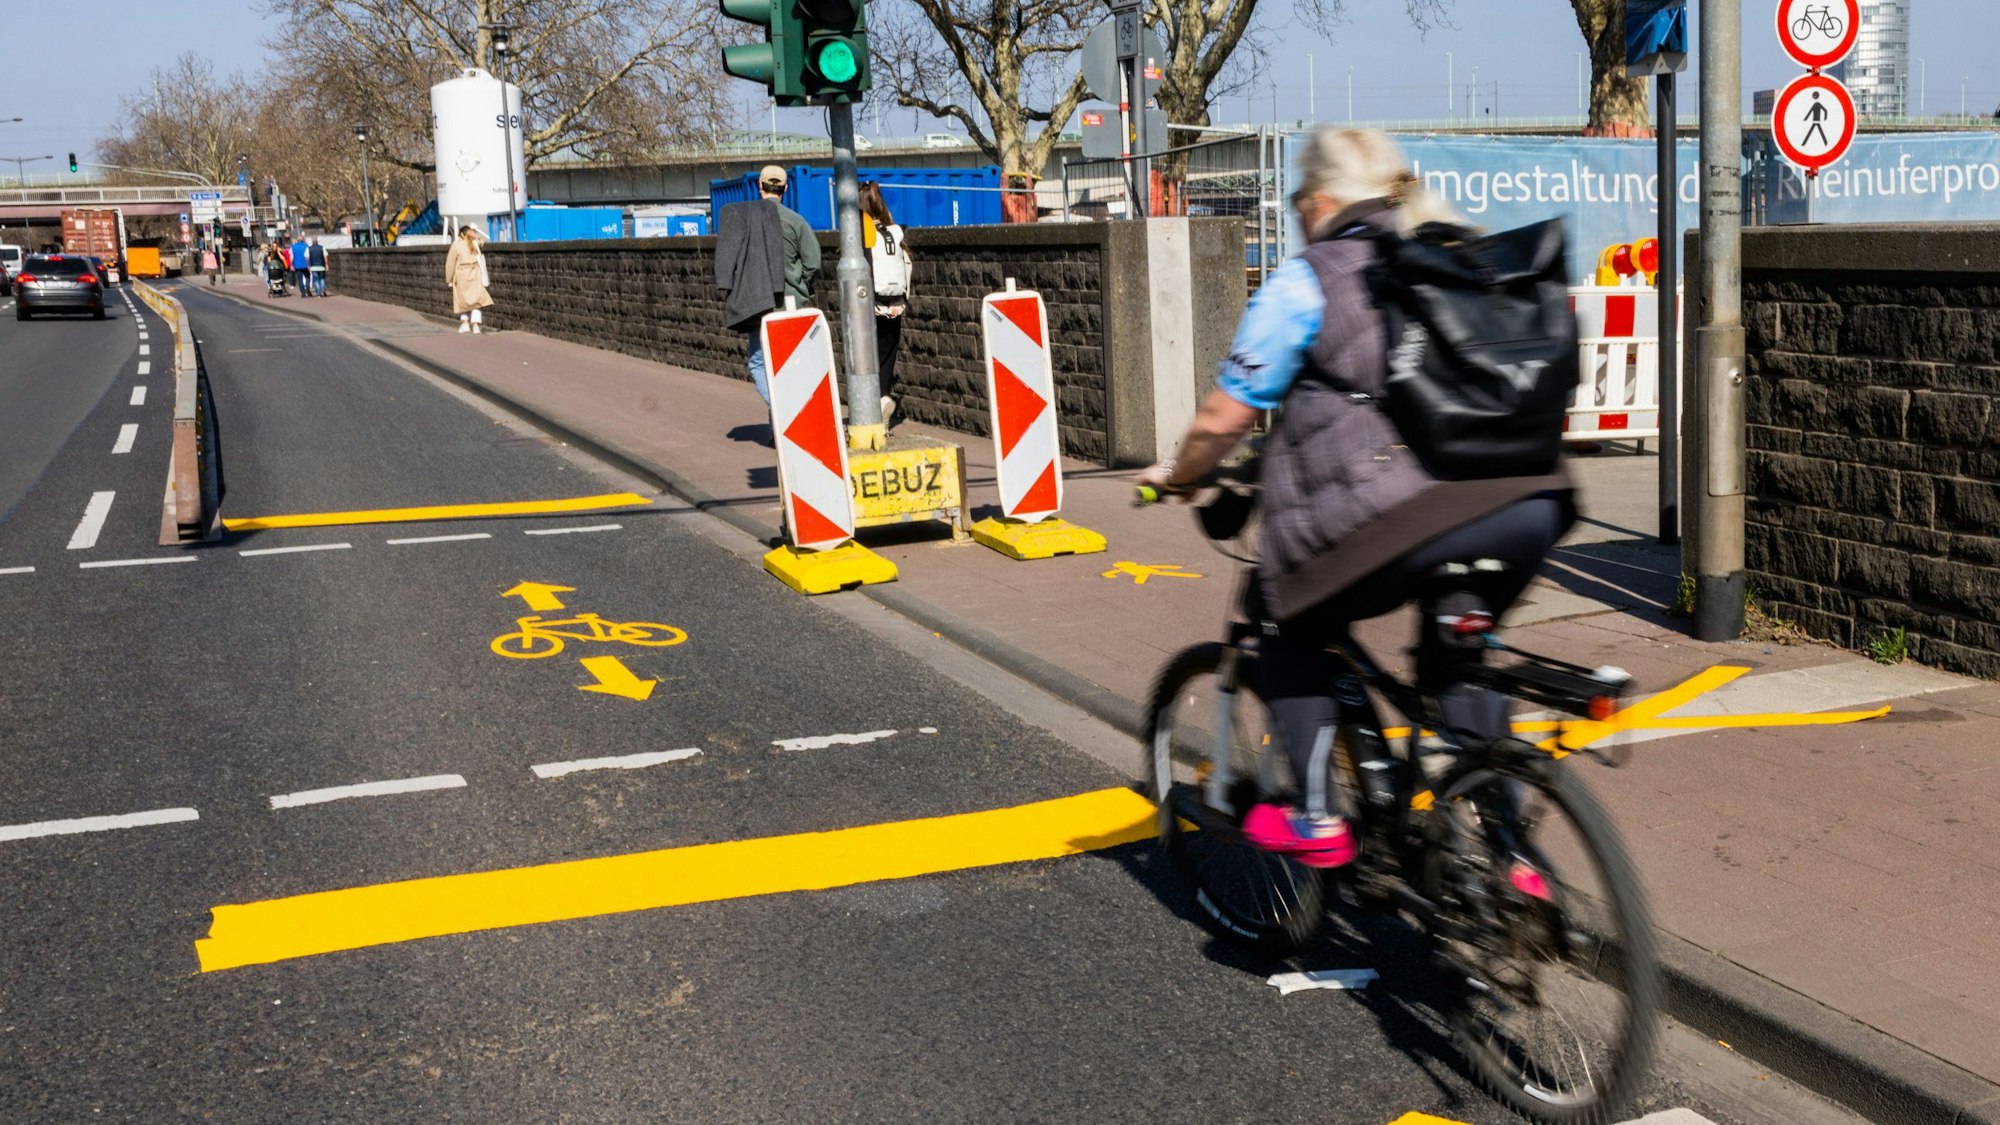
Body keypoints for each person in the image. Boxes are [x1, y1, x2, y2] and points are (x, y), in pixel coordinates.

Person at [1135, 128, 1576, 869]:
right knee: (1456, 658)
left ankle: (1315, 816)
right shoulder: (1458, 253)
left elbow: (1222, 418)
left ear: (1320, 201)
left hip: (1405, 516)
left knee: (1285, 616)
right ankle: (1509, 859)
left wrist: (1177, 477)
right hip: (1531, 501)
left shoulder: (1311, 278)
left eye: (1300, 205)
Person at [714, 165, 819, 404]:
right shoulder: (796, 221)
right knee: (792, 362)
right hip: (791, 305)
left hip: (759, 304)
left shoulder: (746, 219)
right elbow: (813, 264)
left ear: (760, 186)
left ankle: (781, 413)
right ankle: (785, 417)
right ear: (785, 188)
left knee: (759, 363)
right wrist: (801, 288)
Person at [861, 182, 913, 425]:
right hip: (894, 304)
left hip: (869, 306)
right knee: (887, 357)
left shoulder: (861, 234)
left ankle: (874, 408)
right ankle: (882, 399)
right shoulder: (894, 232)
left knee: (865, 358)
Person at [444, 225, 494, 333]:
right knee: (477, 300)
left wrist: (449, 279)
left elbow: (450, 263)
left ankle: (465, 323)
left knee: (463, 301)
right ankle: (476, 325)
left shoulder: (456, 245)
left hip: (461, 274)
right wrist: (477, 238)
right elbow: (483, 241)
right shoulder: (475, 243)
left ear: (461, 234)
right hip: (475, 273)